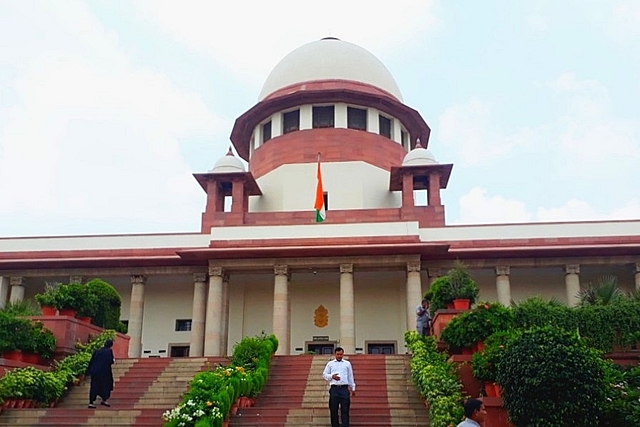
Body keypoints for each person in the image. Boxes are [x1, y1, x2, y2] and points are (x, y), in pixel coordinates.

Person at [322, 347, 356, 427]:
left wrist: (353, 387)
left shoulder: (347, 364)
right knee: (333, 409)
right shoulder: (330, 364)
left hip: (344, 388)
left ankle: (345, 425)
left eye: (341, 354)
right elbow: (324, 374)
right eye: (338, 354)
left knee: (345, 409)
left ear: (343, 354)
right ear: (335, 354)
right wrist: (332, 376)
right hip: (334, 389)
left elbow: (350, 376)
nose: (339, 356)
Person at [87, 338, 115, 409]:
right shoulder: (109, 351)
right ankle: (104, 399)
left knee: (94, 386)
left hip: (95, 372)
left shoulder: (97, 351)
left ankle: (91, 402)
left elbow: (92, 361)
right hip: (104, 372)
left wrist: (88, 371)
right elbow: (110, 361)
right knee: (106, 385)